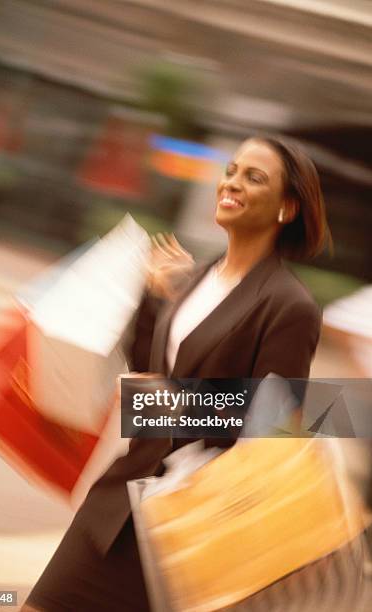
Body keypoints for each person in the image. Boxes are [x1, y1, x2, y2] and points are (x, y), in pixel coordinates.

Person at [23, 136, 331, 611]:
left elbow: (276, 429)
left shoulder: (290, 306)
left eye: (254, 177)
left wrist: (169, 408)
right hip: (117, 506)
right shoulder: (195, 276)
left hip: (186, 529)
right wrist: (153, 301)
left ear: (286, 208)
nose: (231, 183)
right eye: (231, 170)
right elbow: (153, 371)